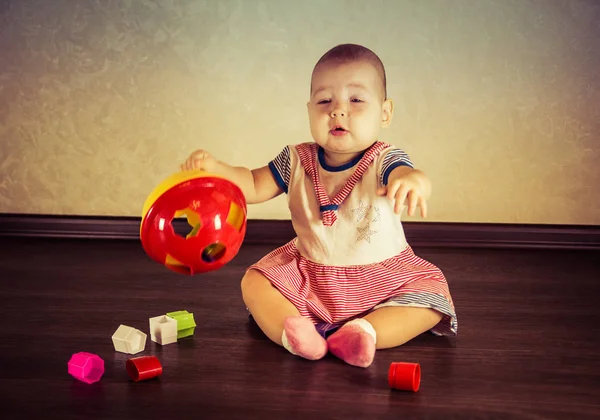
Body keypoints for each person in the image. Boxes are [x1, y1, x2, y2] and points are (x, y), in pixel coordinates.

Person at [181, 44, 457, 368]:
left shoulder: (384, 158)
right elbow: (254, 184)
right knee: (253, 283)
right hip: (310, 274)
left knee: (432, 300)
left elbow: (406, 172)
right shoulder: (296, 160)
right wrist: (219, 169)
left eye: (356, 100)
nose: (338, 111)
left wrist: (415, 181)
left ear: (385, 112)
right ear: (309, 109)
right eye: (325, 101)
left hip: (382, 279)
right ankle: (294, 332)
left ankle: (366, 331)